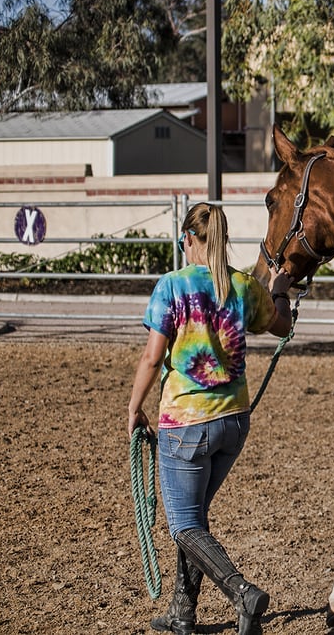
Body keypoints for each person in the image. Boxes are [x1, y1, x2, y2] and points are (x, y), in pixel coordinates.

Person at [127, 202, 293, 635]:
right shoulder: (242, 286)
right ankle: (183, 613)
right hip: (233, 422)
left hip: (186, 423)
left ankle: (242, 593)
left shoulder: (172, 287)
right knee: (195, 517)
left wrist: (133, 407)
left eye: (184, 239)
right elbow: (280, 325)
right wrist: (279, 289)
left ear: (190, 239)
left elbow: (151, 356)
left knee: (183, 525)